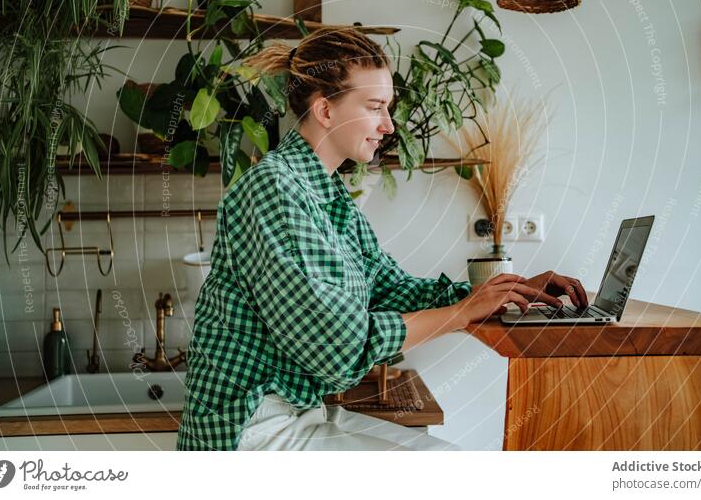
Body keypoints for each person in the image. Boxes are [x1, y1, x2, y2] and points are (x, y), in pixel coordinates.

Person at [176, 27, 587, 451]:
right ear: (325, 111)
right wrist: (462, 312)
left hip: (297, 412)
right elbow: (337, 347)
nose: (388, 125)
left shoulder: (328, 195)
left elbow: (390, 289)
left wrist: (497, 292)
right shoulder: (274, 190)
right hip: (248, 429)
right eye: (374, 107)